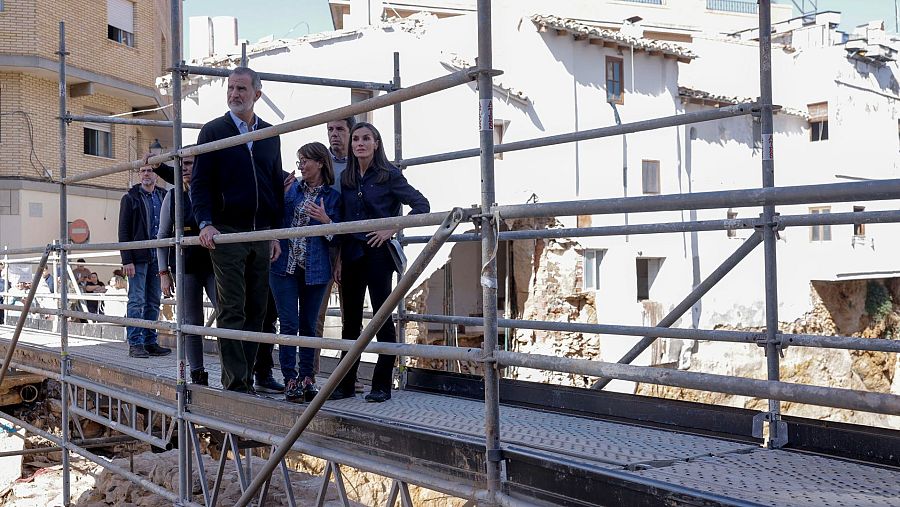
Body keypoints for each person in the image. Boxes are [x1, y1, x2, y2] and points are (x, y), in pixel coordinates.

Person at [191, 66, 284, 393]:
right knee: (232, 306)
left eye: (242, 89)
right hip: (227, 231)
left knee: (258, 309)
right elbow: (199, 183)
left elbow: (275, 185)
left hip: (259, 232)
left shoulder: (270, 135)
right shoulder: (213, 131)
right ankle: (236, 384)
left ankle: (245, 374)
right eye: (231, 88)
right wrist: (206, 222)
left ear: (257, 94)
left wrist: (275, 232)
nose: (235, 94)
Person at [331, 122, 429, 403]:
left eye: (366, 139)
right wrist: (337, 258)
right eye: (356, 139)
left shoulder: (389, 175)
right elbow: (343, 220)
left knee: (381, 319)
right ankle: (345, 384)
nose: (360, 143)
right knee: (350, 324)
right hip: (351, 254)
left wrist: (391, 228)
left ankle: (382, 385)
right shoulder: (348, 178)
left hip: (377, 255)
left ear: (376, 143)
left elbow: (422, 205)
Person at [271, 142, 341, 403]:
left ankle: (307, 377)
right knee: (288, 324)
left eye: (305, 160)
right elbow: (275, 219)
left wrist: (326, 221)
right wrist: (279, 195)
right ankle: (290, 379)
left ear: (320, 163)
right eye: (299, 159)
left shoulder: (333, 198)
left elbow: (337, 238)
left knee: (309, 326)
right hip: (284, 268)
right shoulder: (291, 190)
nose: (300, 164)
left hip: (316, 269)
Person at [155, 155, 215, 386]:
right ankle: (198, 375)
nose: (184, 168)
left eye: (189, 163)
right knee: (191, 322)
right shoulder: (172, 197)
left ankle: (234, 375)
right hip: (186, 266)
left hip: (213, 265)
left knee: (227, 313)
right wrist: (163, 274)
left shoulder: (209, 190)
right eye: (181, 164)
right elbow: (162, 236)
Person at [119, 161, 172, 358]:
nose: (146, 174)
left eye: (150, 170)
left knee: (153, 301)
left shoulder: (163, 196)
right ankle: (135, 343)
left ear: (156, 174)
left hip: (157, 257)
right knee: (136, 300)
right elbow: (123, 231)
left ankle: (150, 341)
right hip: (138, 257)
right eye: (142, 171)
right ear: (139, 175)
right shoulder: (130, 198)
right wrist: (127, 260)